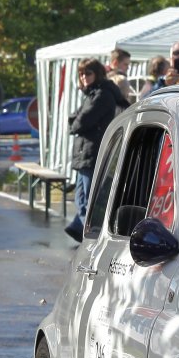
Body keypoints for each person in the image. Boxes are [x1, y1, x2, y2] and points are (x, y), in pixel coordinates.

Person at [65, 58, 128, 241]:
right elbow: (76, 118)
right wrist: (75, 121)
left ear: (97, 74)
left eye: (88, 73)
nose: (84, 77)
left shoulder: (102, 94)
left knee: (88, 199)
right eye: (81, 74)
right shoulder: (93, 93)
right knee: (81, 198)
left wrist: (75, 122)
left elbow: (81, 122)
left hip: (93, 152)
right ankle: (81, 230)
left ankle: (92, 238)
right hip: (86, 152)